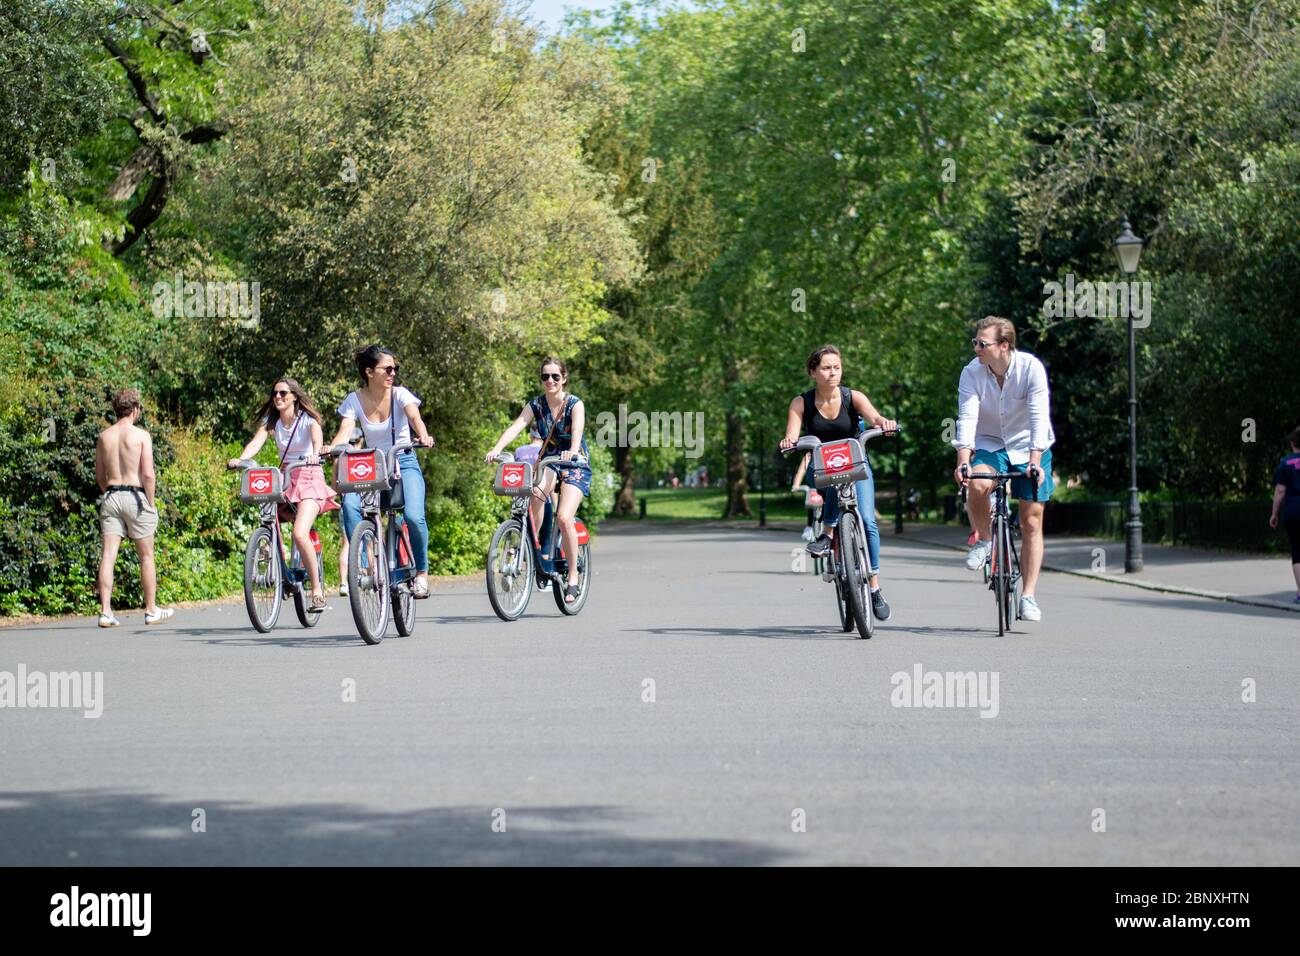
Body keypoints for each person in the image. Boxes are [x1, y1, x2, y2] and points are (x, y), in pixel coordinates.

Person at [779, 345, 897, 622]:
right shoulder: (801, 403)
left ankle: (874, 587)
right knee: (832, 483)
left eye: (836, 367)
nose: (832, 373)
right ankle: (830, 533)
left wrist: (885, 424)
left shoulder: (852, 397)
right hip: (822, 468)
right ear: (813, 372)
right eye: (825, 368)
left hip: (856, 466)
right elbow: (792, 434)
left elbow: (875, 418)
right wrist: (789, 442)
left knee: (868, 521)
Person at [952, 316, 1056, 622]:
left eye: (982, 344)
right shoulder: (971, 372)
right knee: (978, 484)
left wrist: (1035, 461)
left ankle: (1028, 596)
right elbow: (967, 417)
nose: (976, 348)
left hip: (1030, 446)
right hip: (990, 442)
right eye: (975, 342)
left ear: (1004, 345)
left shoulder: (1030, 368)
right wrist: (963, 460)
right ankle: (984, 540)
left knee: (1032, 521)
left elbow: (1039, 416)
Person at [327, 346, 436, 598]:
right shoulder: (354, 399)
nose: (393, 373)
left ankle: (421, 573)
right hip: (372, 467)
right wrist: (332, 447)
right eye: (387, 369)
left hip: (403, 461)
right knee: (350, 506)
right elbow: (345, 430)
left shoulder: (400, 395)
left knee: (413, 516)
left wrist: (423, 435)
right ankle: (371, 562)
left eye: (395, 368)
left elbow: (414, 417)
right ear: (369, 372)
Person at [484, 357, 591, 603]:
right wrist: (496, 448)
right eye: (545, 376)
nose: (550, 381)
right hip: (550, 461)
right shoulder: (536, 404)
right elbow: (517, 426)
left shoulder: (575, 404)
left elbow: (577, 431)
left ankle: (573, 576)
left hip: (575, 463)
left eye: (555, 376)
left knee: (564, 517)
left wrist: (573, 450)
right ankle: (539, 547)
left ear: (564, 378)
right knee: (536, 492)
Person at [229, 378, 338, 611]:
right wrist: (241, 459)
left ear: (294, 396)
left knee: (300, 533)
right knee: (267, 518)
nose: (277, 397)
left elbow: (317, 440)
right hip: (286, 479)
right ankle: (276, 560)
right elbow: (256, 442)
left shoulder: (308, 421)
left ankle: (317, 591)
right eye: (275, 393)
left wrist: (316, 454)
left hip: (309, 477)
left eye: (283, 393)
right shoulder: (273, 421)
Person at [95, 388, 173, 627]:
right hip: (135, 495)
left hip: (111, 495)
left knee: (108, 554)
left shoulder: (104, 436)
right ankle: (151, 610)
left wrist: (109, 493)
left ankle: (106, 612)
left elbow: (99, 475)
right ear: (136, 409)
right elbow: (148, 475)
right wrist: (150, 502)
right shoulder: (141, 436)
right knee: (146, 556)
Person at [1268, 426, 1300, 603]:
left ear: (1292, 443)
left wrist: (1274, 513)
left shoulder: (1285, 463)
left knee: (1297, 551)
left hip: (1293, 511)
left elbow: (1280, 490)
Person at [337, 426, 363, 597]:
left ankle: (344, 582)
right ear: (361, 441)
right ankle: (367, 575)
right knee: (368, 542)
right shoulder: (366, 456)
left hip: (346, 502)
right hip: (365, 503)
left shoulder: (340, 458)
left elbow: (336, 484)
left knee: (347, 543)